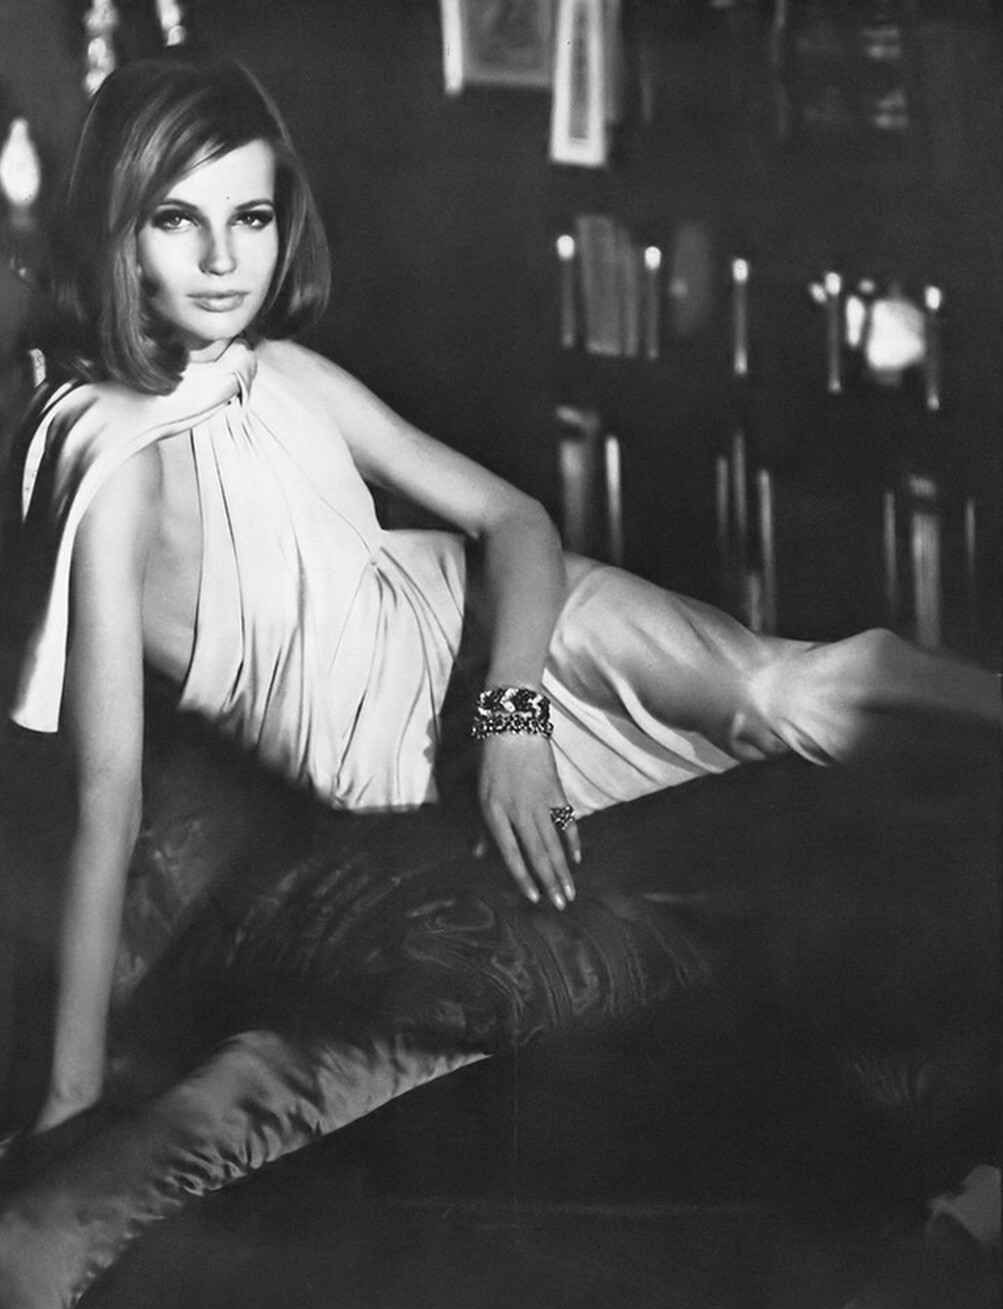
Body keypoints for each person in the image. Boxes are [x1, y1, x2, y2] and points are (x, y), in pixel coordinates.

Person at [2, 56, 998, 1142]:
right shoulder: (113, 464)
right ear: (116, 230)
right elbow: (105, 797)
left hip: (500, 635)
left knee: (787, 695)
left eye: (250, 217)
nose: (221, 260)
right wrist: (70, 1097)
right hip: (404, 755)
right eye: (176, 220)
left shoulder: (275, 371)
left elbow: (514, 519)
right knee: (791, 781)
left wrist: (511, 715)